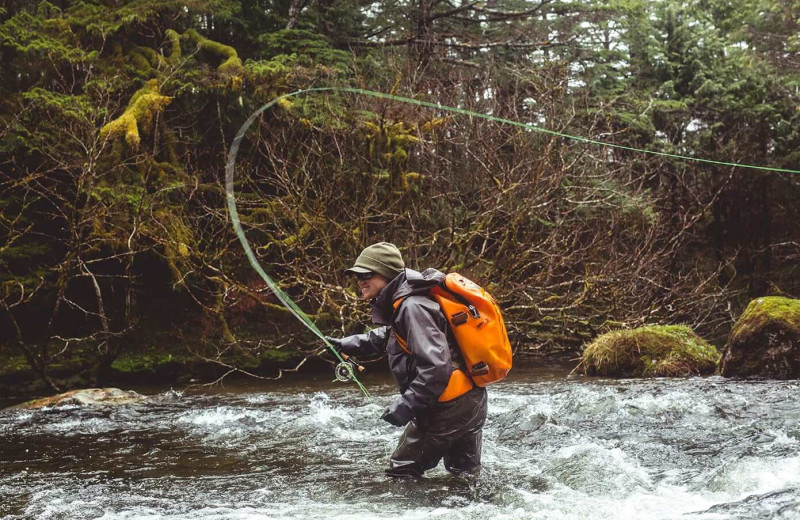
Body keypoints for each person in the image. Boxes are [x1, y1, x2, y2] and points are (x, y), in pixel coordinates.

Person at [327, 242, 488, 478]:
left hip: (448, 407)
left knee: (402, 470)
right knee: (464, 477)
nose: (360, 280)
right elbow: (393, 337)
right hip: (469, 400)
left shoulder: (412, 306)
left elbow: (436, 367)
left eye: (366, 274)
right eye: (356, 276)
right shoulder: (409, 301)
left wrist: (406, 405)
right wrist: (345, 344)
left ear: (387, 273)